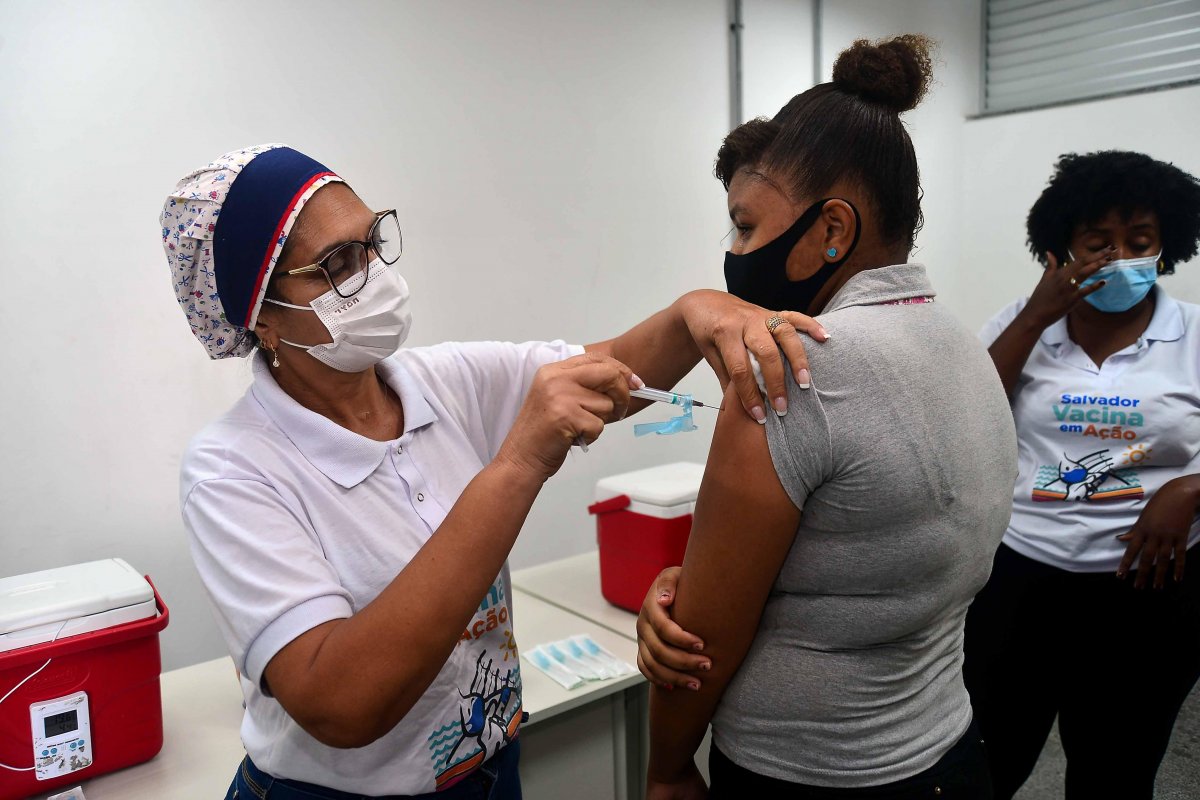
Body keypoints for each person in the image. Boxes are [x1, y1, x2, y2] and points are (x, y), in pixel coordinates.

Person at [161, 143, 827, 799]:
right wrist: (519, 463)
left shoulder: (442, 380)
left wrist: (694, 313)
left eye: (371, 242)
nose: (371, 274)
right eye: (335, 264)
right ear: (262, 319)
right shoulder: (234, 468)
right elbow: (339, 702)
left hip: (487, 769)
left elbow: (615, 367)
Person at [635, 36, 1016, 799]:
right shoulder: (964, 343)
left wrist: (670, 767)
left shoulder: (789, 370)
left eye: (745, 226)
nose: (734, 252)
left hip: (808, 774)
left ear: (832, 231)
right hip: (948, 748)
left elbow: (699, 643)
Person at [962, 150, 1200, 800]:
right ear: (1060, 248)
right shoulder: (1022, 322)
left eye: (1139, 242)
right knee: (989, 759)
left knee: (1116, 770)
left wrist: (1192, 487)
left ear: (1167, 246)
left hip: (1151, 592)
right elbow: (966, 411)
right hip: (1019, 581)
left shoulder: (1194, 334)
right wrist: (1037, 315)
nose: (1119, 258)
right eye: (1098, 243)